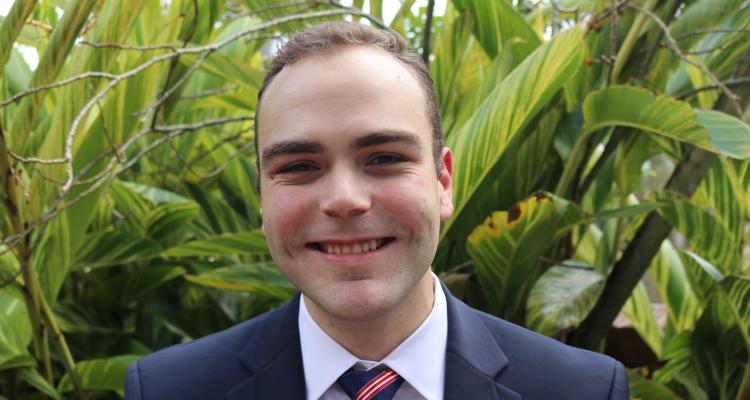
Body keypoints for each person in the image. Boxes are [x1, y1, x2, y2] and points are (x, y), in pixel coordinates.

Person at [124, 21, 629, 400]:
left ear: (443, 181)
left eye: (385, 158)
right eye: (299, 165)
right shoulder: (168, 389)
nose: (344, 199)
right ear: (262, 195)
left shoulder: (580, 389)